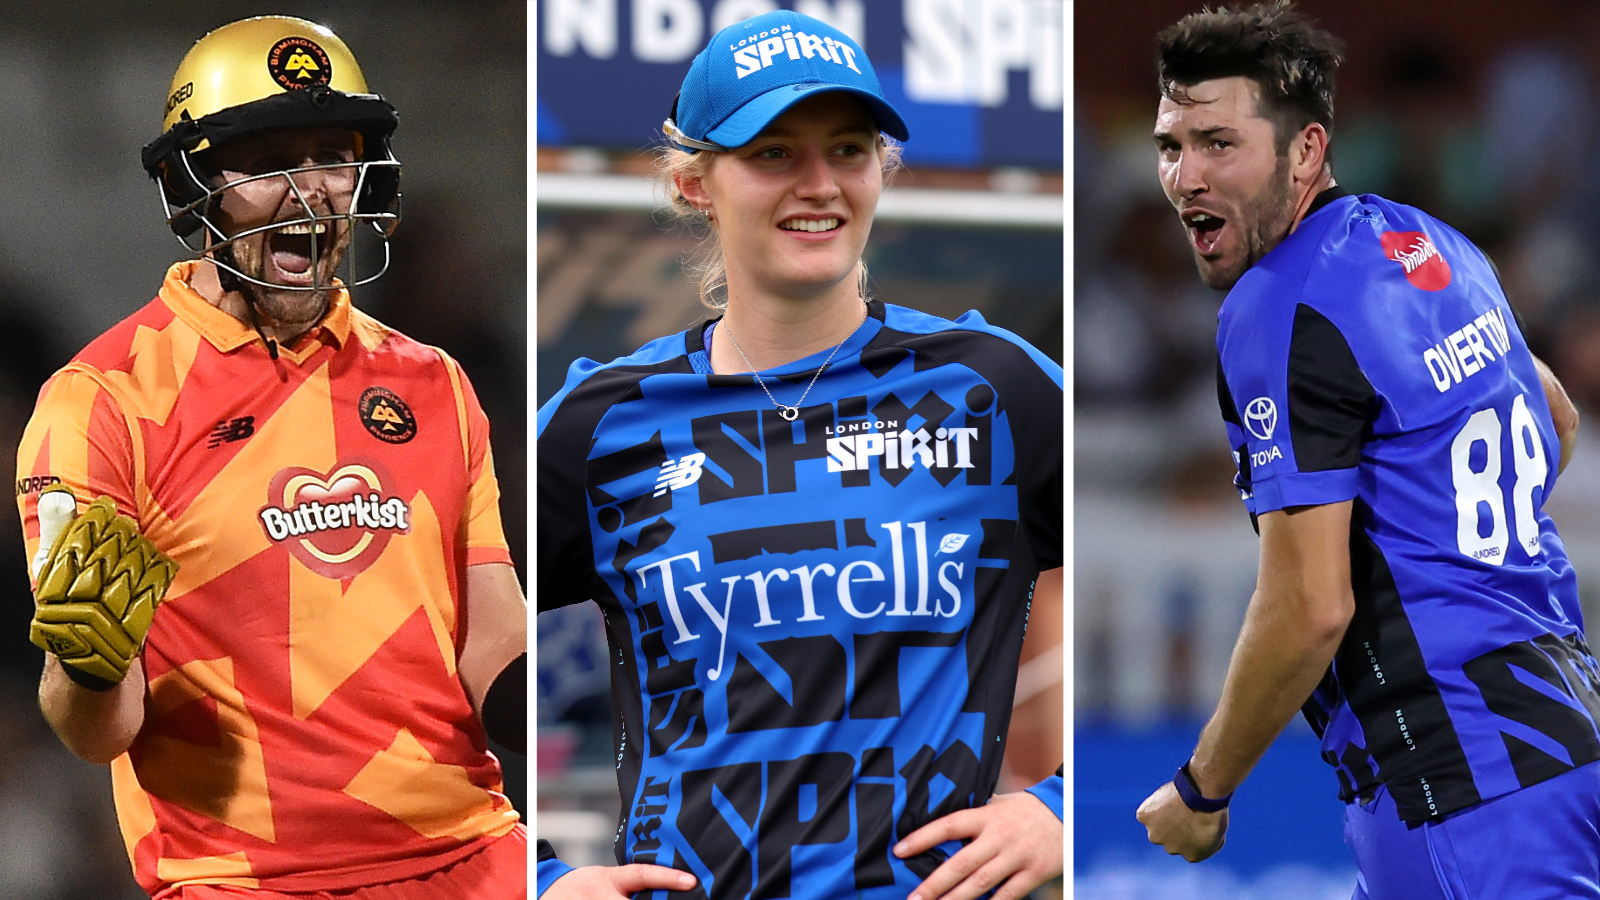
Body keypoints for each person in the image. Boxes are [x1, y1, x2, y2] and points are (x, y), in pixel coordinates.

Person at [535, 10, 1063, 900]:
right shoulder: (600, 422)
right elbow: (435, 659)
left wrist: (1062, 809)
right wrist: (538, 877)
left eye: (849, 150)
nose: (819, 185)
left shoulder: (995, 390)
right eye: (774, 153)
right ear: (694, 181)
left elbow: (1226, 580)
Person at [15, 16, 528, 899]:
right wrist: (85, 666)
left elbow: (494, 648)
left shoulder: (435, 382)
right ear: (196, 186)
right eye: (266, 161)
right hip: (242, 881)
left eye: (332, 154)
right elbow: (97, 730)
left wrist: (613, 679)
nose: (310, 191)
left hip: (474, 861)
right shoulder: (100, 402)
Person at [1135, 3, 1600, 897]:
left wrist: (1204, 788)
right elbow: (1558, 421)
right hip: (1565, 743)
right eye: (1170, 146)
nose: (1185, 177)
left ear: (1305, 152)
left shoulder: (1277, 303)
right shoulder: (1439, 246)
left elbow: (1311, 606)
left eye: (1218, 144)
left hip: (1459, 790)